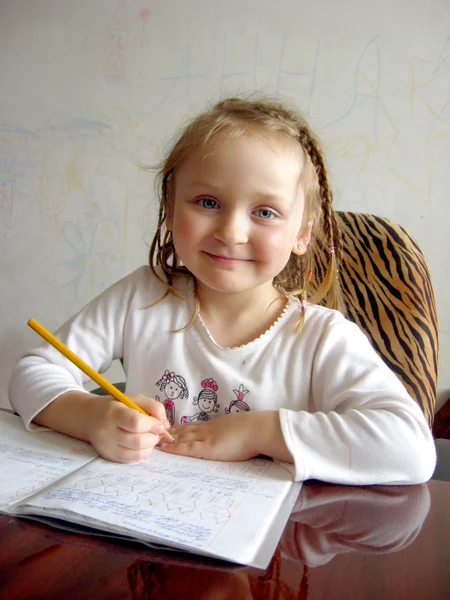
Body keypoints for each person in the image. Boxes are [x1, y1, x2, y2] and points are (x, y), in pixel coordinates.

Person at [8, 97, 436, 485]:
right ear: (171, 207)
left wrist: (259, 431)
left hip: (268, 559)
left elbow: (410, 447)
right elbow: (32, 373)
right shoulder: (141, 296)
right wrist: (91, 417)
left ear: (301, 235)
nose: (231, 232)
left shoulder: (322, 337)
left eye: (265, 212)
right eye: (208, 202)